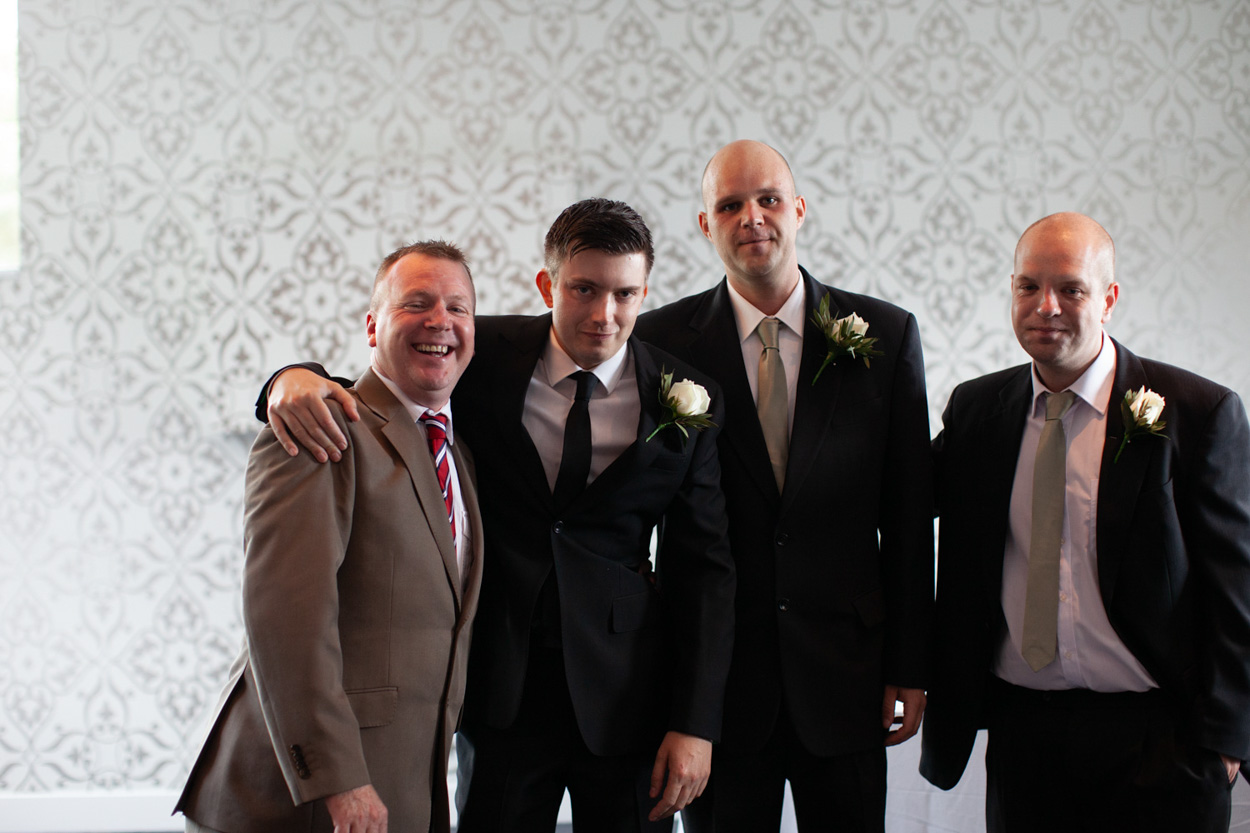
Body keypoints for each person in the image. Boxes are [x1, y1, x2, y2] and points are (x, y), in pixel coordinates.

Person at [259, 198, 736, 832]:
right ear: (548, 285)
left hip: (630, 696)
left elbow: (705, 569)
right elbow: (389, 376)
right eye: (583, 289)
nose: (604, 314)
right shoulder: (482, 354)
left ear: (645, 292)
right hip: (498, 687)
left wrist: (694, 722)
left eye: (624, 294)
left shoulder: (686, 395)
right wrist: (288, 379)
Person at [633, 139, 935, 832]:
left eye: (768, 199)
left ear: (798, 210)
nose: (753, 217)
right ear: (706, 225)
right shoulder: (659, 342)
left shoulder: (885, 335)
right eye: (730, 204)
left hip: (849, 672)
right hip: (717, 687)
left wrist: (910, 664)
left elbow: (910, 515)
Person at [919, 212, 1250, 832]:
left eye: (1070, 288)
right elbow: (906, 502)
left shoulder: (1198, 413)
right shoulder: (979, 410)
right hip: (1025, 739)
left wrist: (1224, 743)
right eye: (1027, 287)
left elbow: (1240, 590)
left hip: (1161, 739)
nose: (1045, 306)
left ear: (1109, 299)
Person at [175, 241, 484, 833]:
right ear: (372, 327)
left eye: (458, 307)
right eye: (414, 303)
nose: (439, 320)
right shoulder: (320, 425)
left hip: (405, 784)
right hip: (305, 799)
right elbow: (286, 619)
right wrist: (339, 779)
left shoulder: (459, 454)